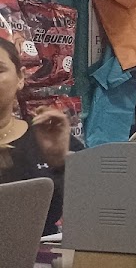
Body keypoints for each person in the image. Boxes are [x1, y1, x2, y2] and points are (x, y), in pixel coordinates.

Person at [0, 37, 82, 235]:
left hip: (37, 252)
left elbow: (92, 205)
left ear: (20, 78)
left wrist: (59, 162)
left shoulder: (47, 136)